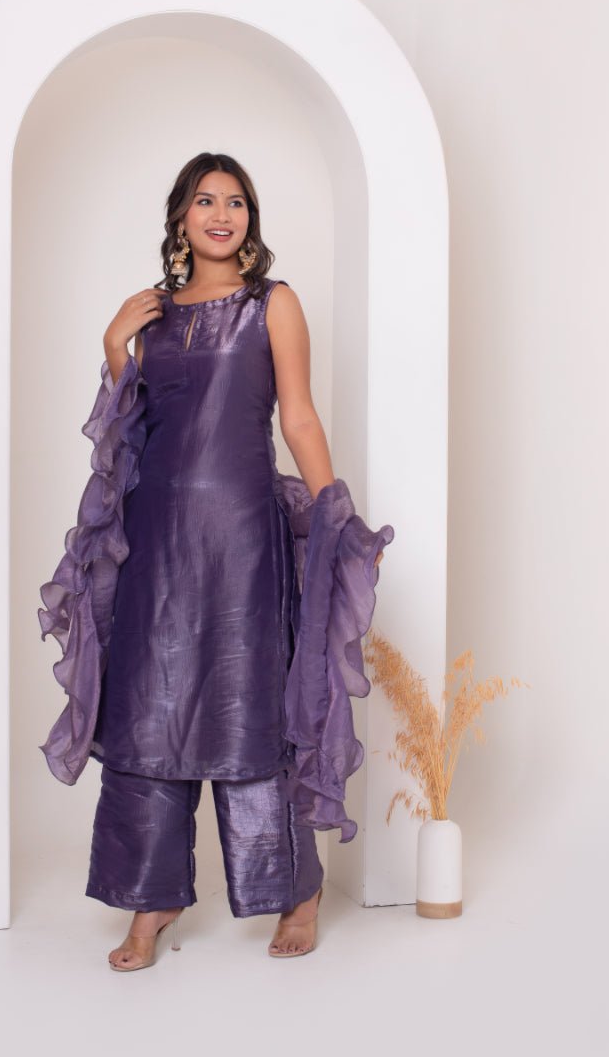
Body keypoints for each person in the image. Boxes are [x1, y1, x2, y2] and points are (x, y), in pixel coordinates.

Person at [38, 152, 394, 972]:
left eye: (236, 202)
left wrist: (333, 513)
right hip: (156, 535)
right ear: (181, 217)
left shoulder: (274, 303)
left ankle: (295, 891)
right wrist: (115, 343)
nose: (222, 215)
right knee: (149, 707)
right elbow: (131, 428)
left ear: (250, 220)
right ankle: (152, 899)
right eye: (206, 201)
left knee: (248, 704)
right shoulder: (153, 314)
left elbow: (297, 417)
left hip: (240, 534)